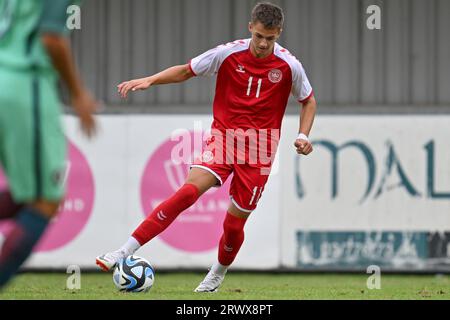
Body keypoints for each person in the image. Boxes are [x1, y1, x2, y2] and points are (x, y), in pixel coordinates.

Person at [97, 2, 316, 292]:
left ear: (279, 34)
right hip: (224, 139)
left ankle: (217, 273)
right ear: (251, 27)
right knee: (187, 192)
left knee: (234, 225)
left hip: (260, 150)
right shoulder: (227, 53)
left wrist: (303, 135)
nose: (263, 44)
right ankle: (124, 251)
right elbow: (187, 70)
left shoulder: (290, 65)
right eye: (260, 36)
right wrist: (151, 80)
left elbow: (308, 100)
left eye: (270, 38)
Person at [0, 0, 97, 288]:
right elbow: (52, 38)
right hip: (22, 83)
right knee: (45, 201)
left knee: (26, 195)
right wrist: (78, 93)